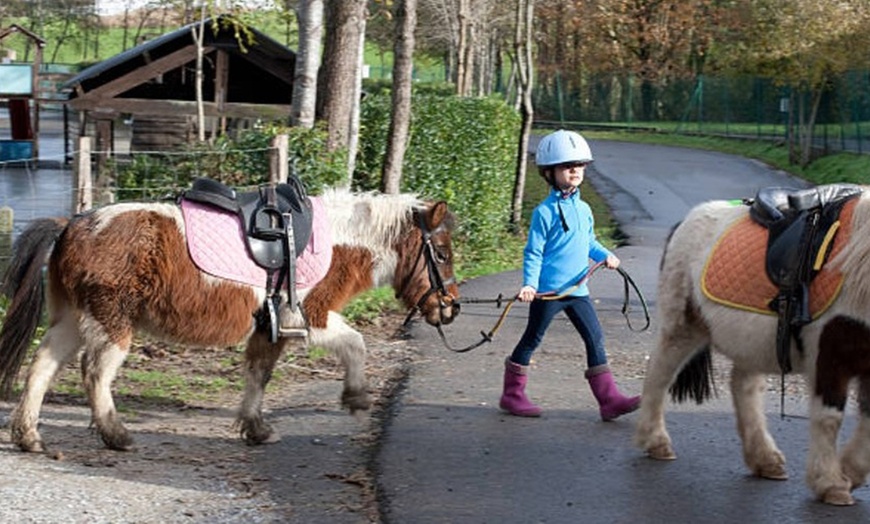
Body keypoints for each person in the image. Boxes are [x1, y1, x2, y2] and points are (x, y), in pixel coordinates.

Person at [499, 129, 641, 421]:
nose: (575, 170)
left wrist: (606, 256)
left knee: (595, 338)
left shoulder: (585, 209)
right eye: (567, 166)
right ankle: (512, 395)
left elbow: (588, 241)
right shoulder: (544, 212)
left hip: (578, 291)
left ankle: (609, 400)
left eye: (580, 165)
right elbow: (533, 252)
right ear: (549, 172)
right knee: (532, 338)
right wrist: (529, 284)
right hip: (550, 292)